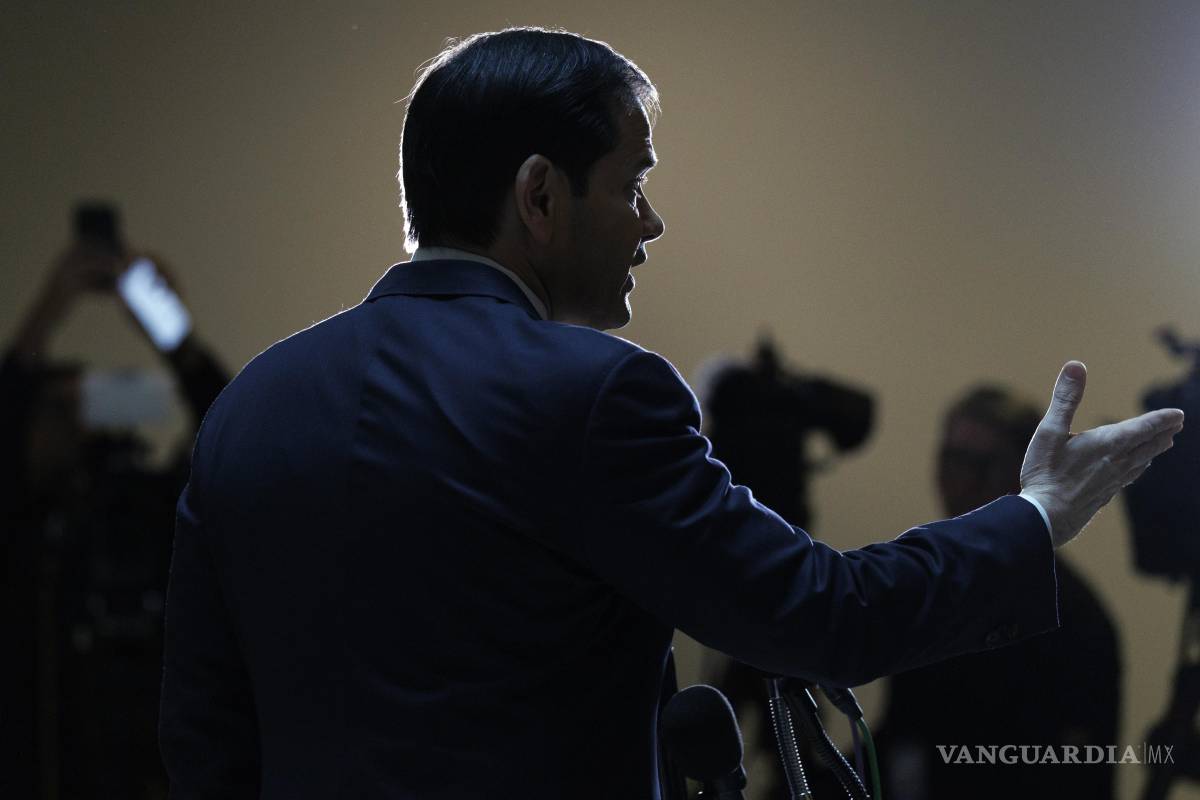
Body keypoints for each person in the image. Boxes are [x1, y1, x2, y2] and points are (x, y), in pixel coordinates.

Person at [158, 28, 1182, 799]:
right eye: (632, 180)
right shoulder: (596, 392)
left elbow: (204, 738)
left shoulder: (250, 407)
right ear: (541, 196)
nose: (651, 219)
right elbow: (826, 615)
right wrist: (1038, 512)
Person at [1, 241, 227, 797]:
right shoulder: (22, 531)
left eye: (88, 404)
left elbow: (229, 441)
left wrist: (173, 332)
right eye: (56, 409)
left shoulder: (142, 503)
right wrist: (49, 309)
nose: (76, 420)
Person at [875, 386, 1122, 799]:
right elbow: (901, 735)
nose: (956, 483)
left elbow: (1080, 774)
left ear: (1019, 474)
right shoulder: (928, 585)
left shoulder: (1074, 614)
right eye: (949, 461)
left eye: (976, 464)